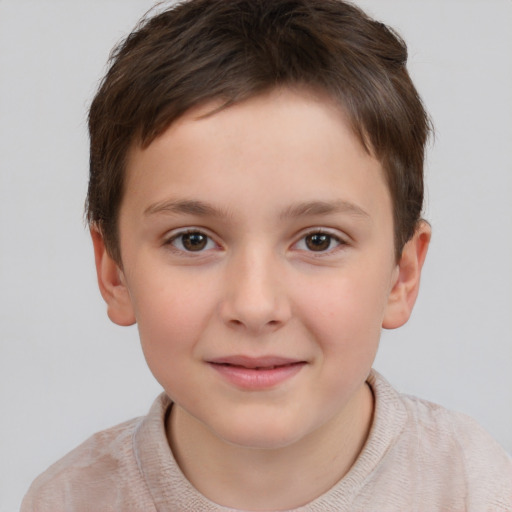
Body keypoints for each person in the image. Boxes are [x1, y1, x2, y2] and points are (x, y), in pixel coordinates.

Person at [21, 0, 512, 510]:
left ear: (401, 277)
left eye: (319, 240)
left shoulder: (477, 490)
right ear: (115, 272)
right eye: (193, 240)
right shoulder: (67, 500)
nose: (255, 306)